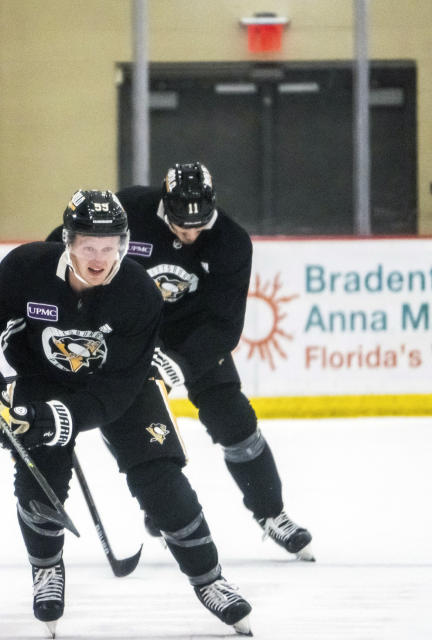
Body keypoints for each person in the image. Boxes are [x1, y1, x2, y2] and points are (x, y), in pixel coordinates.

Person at [0, 189, 252, 637]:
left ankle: (210, 578)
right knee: (39, 484)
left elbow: (116, 391)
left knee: (163, 483)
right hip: (43, 378)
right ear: (68, 242)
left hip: (121, 387)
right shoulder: (28, 268)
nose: (99, 258)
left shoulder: (138, 293)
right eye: (89, 246)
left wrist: (57, 418)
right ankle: (47, 570)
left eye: (109, 247)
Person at [48, 163, 313, 561]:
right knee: (136, 423)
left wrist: (182, 362)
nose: (189, 234)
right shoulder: (129, 211)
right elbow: (58, 250)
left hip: (194, 336)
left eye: (198, 226)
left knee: (234, 419)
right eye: (179, 225)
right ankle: (161, 505)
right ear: (163, 206)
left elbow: (224, 324)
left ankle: (272, 513)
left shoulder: (231, 242)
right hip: (129, 328)